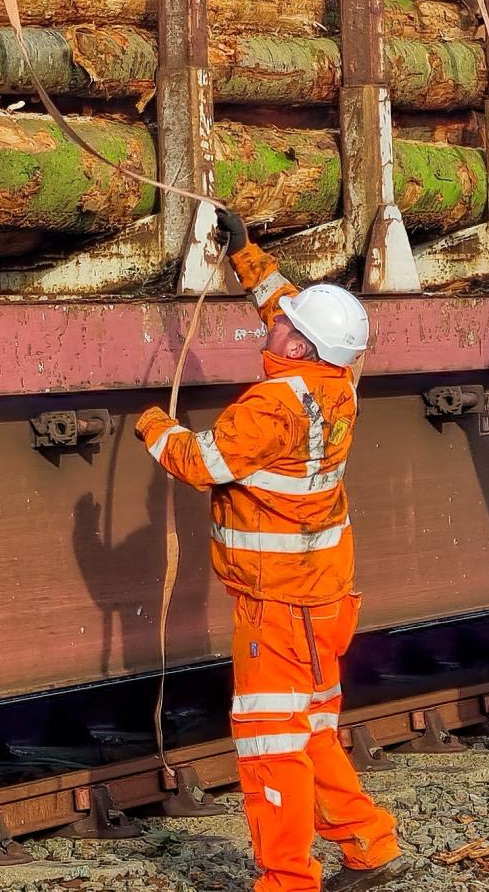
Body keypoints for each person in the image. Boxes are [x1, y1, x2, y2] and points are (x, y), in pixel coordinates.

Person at [135, 207, 404, 892]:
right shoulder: (337, 385)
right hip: (322, 597)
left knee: (270, 745)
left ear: (296, 350)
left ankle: (288, 880)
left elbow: (199, 463)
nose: (273, 323)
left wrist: (152, 424)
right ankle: (368, 843)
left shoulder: (272, 408)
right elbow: (290, 311)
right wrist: (248, 257)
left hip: (276, 605)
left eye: (284, 328)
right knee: (312, 729)